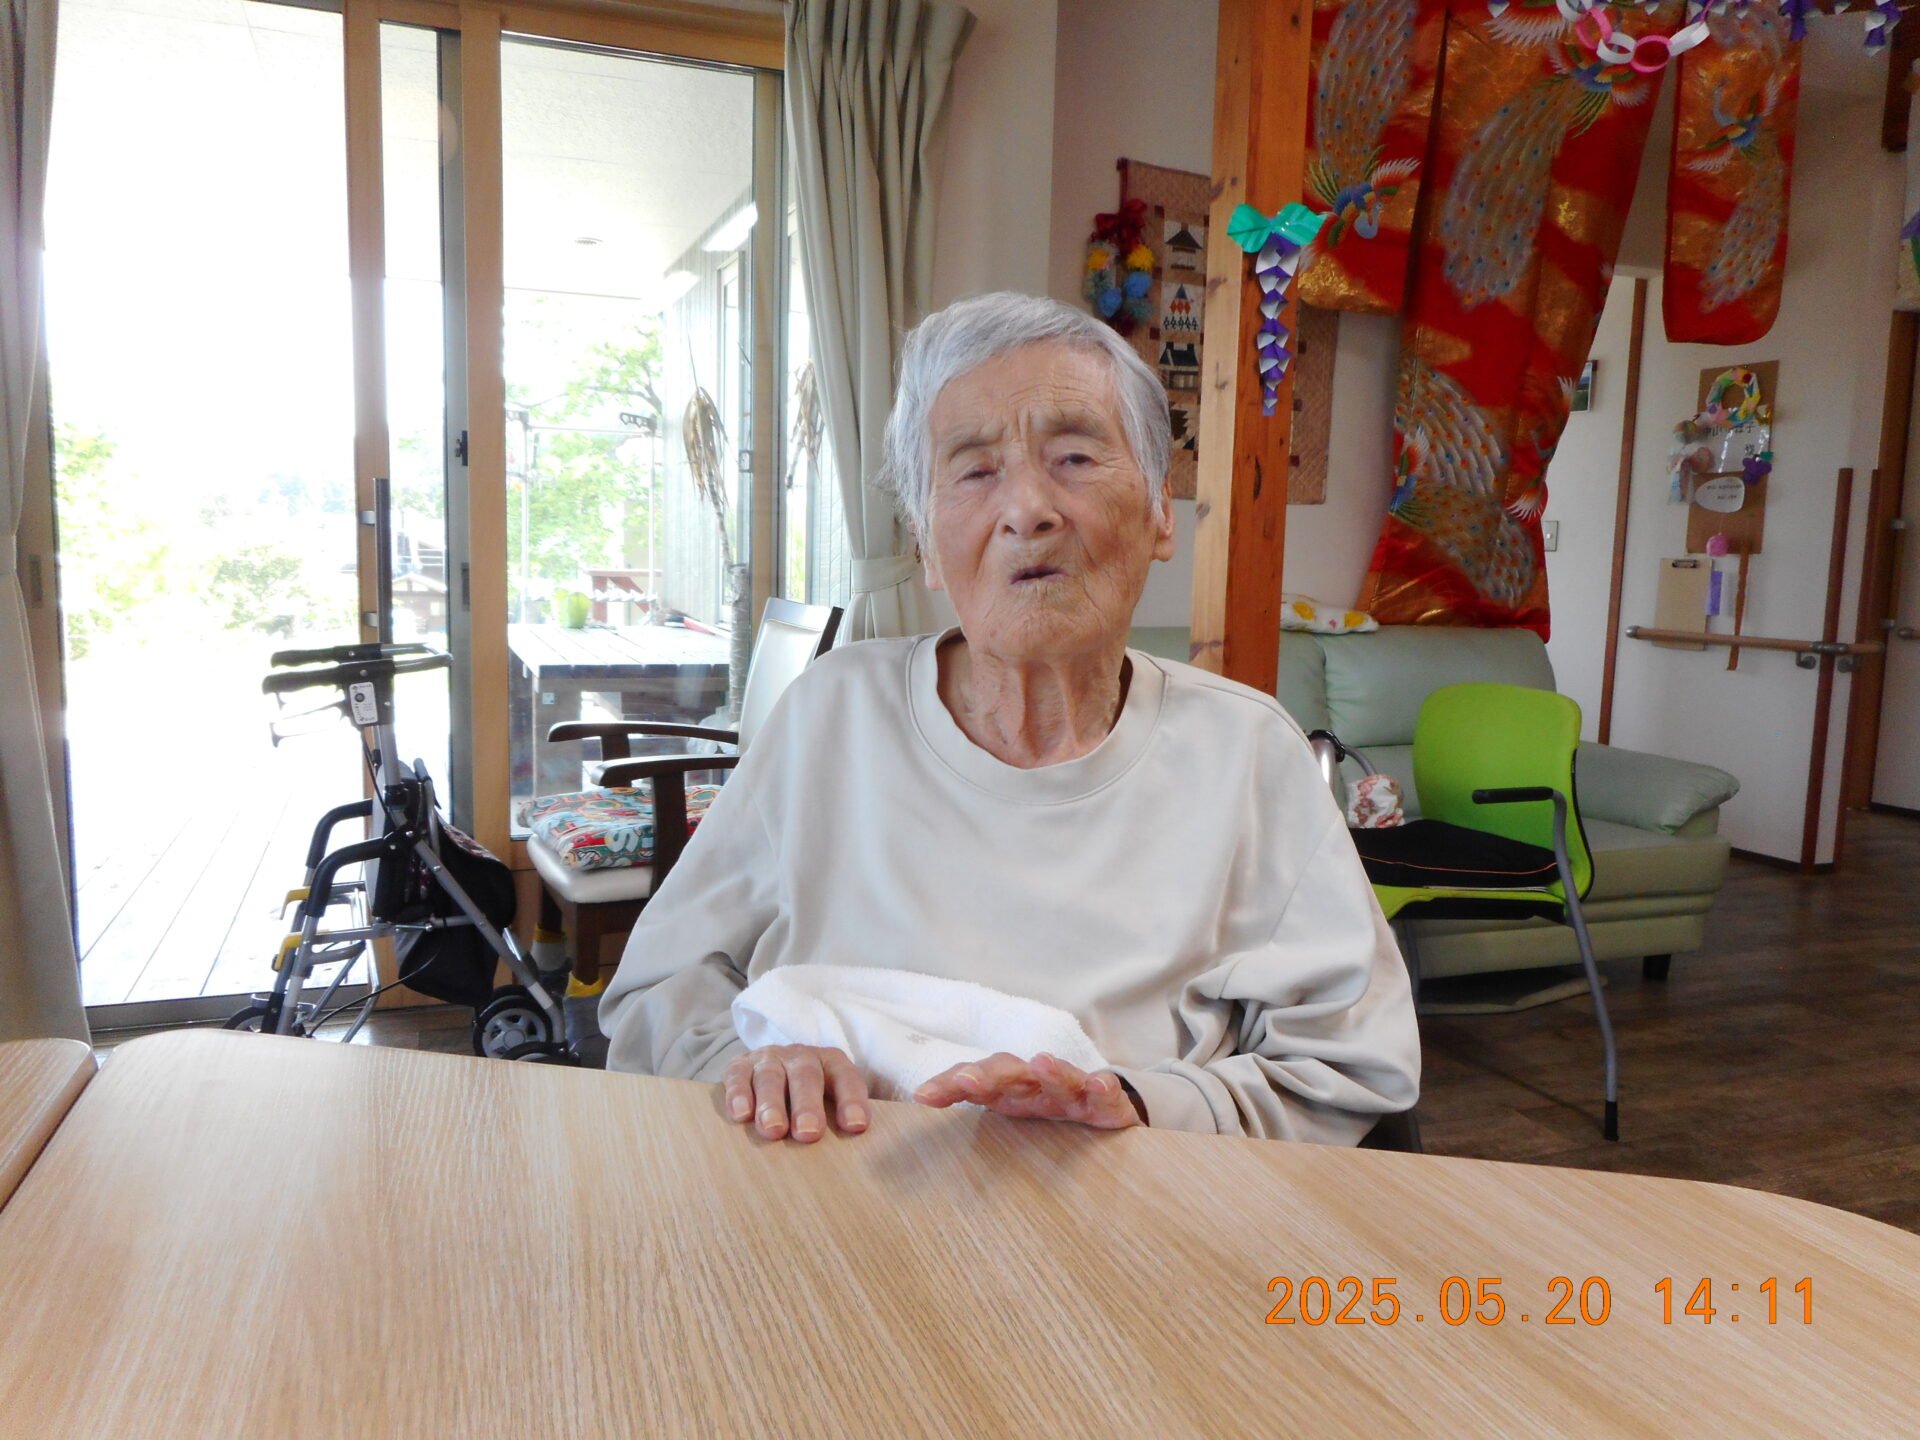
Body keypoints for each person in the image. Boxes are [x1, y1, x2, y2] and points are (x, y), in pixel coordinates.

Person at [600, 291, 1419, 1145]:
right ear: (926, 544)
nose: (1028, 508)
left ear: (1159, 513)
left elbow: (1350, 1061)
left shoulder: (1247, 753)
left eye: (1074, 457)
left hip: (1130, 1206)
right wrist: (755, 1068)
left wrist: (1141, 1108)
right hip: (833, 1192)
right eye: (975, 470)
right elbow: (658, 991)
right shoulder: (831, 716)